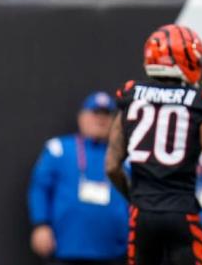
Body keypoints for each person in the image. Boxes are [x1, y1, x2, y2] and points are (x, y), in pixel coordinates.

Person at [105, 24, 202, 265]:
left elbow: (111, 166)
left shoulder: (130, 94)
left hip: (142, 215)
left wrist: (137, 198)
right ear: (186, 59)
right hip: (182, 213)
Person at [28, 92, 129, 265]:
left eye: (107, 114)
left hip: (114, 252)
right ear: (81, 117)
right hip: (67, 249)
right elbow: (40, 187)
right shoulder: (59, 149)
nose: (101, 119)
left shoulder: (126, 157)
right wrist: (41, 224)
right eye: (95, 113)